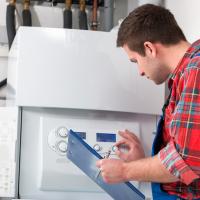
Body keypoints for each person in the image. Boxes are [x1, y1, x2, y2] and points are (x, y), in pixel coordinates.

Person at [96, 4, 200, 200]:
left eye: (135, 61)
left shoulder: (197, 70)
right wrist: (143, 163)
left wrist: (126, 171)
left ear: (149, 48)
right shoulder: (185, 75)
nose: (140, 72)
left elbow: (186, 161)